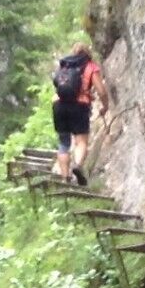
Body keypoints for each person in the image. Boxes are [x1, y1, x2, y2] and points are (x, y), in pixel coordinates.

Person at [50, 41, 103, 183]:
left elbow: (56, 83)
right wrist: (105, 105)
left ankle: (64, 177)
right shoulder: (91, 67)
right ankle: (78, 166)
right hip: (79, 106)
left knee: (63, 143)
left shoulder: (64, 65)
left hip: (59, 105)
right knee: (81, 142)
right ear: (88, 53)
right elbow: (101, 90)